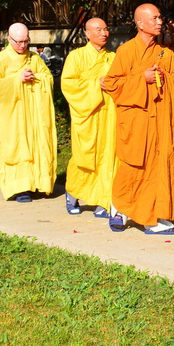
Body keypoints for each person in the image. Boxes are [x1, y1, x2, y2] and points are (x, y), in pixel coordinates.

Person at [102, 3, 174, 234]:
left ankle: (152, 217)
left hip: (160, 123)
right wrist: (142, 78)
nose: (160, 22)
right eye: (155, 18)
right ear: (140, 23)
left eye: (160, 18)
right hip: (136, 121)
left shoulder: (165, 54)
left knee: (157, 168)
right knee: (132, 167)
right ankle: (119, 209)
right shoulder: (126, 51)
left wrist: (164, 79)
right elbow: (112, 84)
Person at [0, 23, 57, 203]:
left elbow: (48, 79)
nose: (22, 45)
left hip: (35, 113)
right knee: (17, 147)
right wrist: (17, 79)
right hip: (13, 115)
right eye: (18, 42)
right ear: (9, 39)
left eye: (26, 41)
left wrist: (36, 77)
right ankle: (19, 188)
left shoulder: (35, 58)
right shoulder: (1, 59)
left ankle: (36, 183)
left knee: (37, 145)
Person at [60, 17, 117, 217]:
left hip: (109, 115)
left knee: (107, 157)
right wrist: (95, 84)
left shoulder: (113, 57)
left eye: (106, 29)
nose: (104, 33)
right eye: (98, 29)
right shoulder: (76, 57)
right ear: (87, 33)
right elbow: (68, 85)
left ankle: (102, 200)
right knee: (84, 157)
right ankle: (72, 194)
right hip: (86, 116)